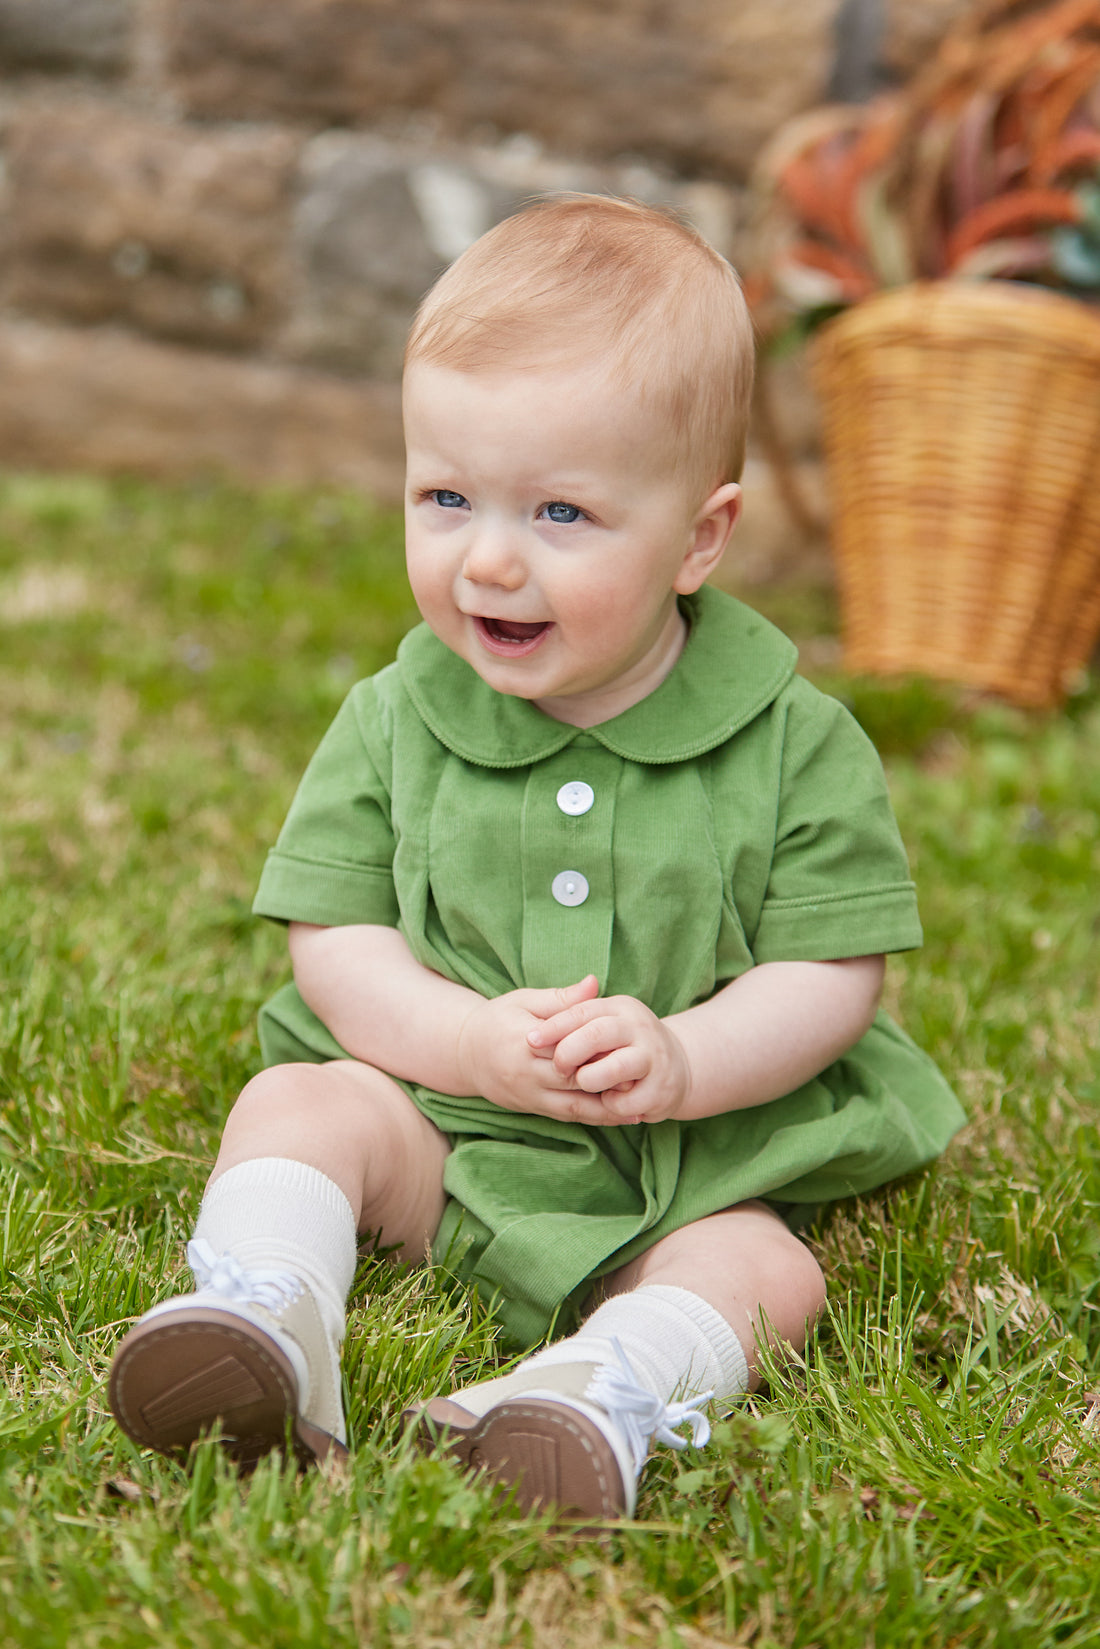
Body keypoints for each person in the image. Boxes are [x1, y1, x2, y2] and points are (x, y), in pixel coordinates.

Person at [108, 195, 964, 1519]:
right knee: (298, 1106)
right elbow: (337, 941)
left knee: (768, 1270)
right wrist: (460, 1044)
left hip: (694, 1160)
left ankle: (591, 1389)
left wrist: (685, 1059)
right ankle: (266, 1311)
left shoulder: (798, 740)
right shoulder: (396, 716)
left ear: (699, 538)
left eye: (561, 512)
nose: (490, 557)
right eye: (446, 495)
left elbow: (831, 971)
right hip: (442, 1130)